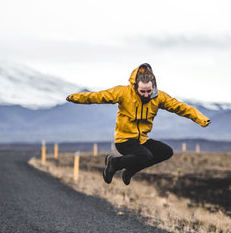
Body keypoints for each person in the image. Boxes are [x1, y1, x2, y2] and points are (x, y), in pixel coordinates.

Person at [66, 63, 211, 185]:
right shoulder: (123, 92)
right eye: (143, 91)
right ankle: (113, 163)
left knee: (166, 152)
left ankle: (130, 170)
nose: (147, 95)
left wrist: (200, 119)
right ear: (136, 86)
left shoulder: (159, 97)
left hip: (142, 140)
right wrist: (75, 97)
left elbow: (181, 107)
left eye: (149, 91)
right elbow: (97, 96)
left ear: (153, 86)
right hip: (124, 140)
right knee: (146, 156)